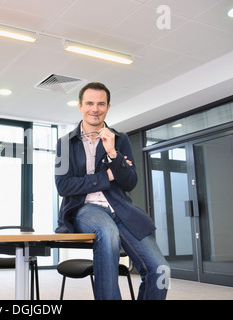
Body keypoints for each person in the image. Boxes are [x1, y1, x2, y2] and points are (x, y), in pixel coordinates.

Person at [55, 82, 169, 300]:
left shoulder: (120, 139)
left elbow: (129, 182)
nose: (95, 109)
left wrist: (113, 154)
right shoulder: (64, 143)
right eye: (89, 103)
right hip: (84, 209)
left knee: (160, 269)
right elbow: (63, 186)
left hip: (120, 210)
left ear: (108, 107)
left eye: (101, 104)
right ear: (80, 106)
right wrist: (106, 176)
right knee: (107, 232)